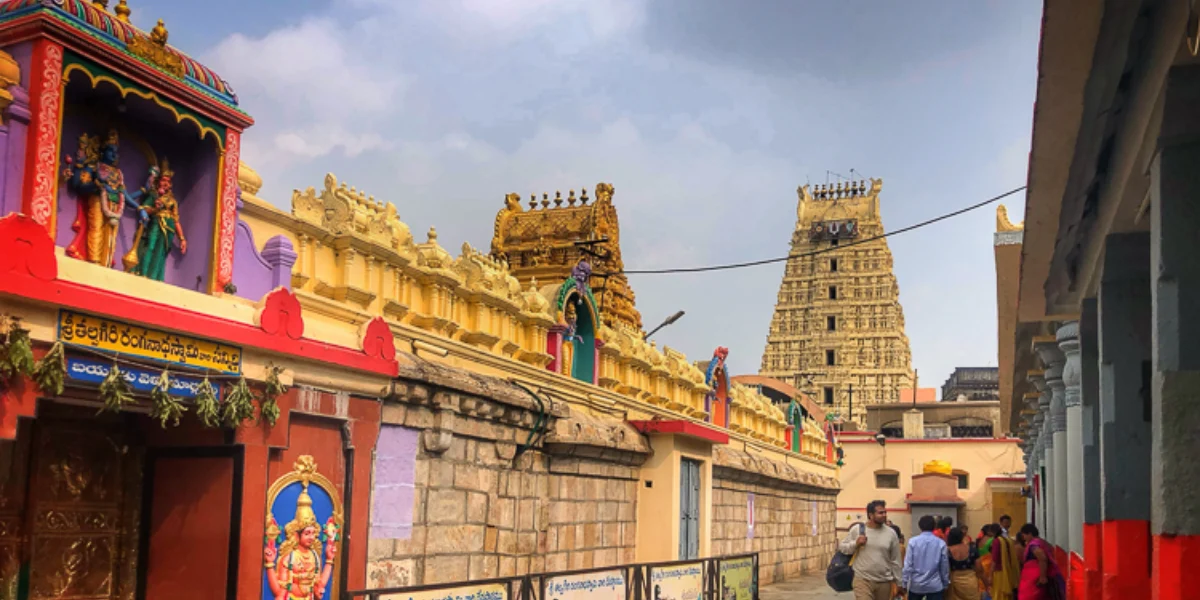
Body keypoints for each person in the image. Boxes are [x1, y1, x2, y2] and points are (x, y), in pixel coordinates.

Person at [838, 500, 902, 600]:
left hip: (884, 581)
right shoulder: (858, 529)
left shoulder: (891, 533)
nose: (884, 515)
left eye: (885, 512)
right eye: (880, 513)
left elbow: (895, 560)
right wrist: (856, 543)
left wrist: (899, 582)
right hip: (863, 580)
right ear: (871, 515)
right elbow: (842, 548)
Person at [902, 515, 950, 600]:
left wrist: (904, 583)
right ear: (934, 526)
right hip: (935, 586)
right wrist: (945, 583)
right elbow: (944, 566)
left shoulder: (912, 542)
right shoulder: (941, 543)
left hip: (916, 586)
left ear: (920, 526)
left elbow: (908, 565)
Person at [1016, 524, 1065, 600]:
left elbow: (1042, 558)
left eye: (1024, 535)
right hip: (1045, 575)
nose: (1024, 538)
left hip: (1035, 578)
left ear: (1030, 534)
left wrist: (1042, 577)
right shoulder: (1042, 542)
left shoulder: (1033, 545)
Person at [946, 527, 986, 600]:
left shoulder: (947, 551)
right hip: (970, 582)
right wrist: (986, 584)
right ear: (962, 537)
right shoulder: (972, 549)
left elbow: (945, 570)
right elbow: (980, 570)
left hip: (954, 583)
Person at [988, 524, 1020, 600]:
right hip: (1009, 570)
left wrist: (990, 575)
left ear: (992, 532)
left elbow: (994, 560)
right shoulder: (1008, 540)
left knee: (1000, 594)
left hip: (999, 571)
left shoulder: (996, 541)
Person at [976, 525, 998, 600]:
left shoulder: (980, 540)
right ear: (989, 531)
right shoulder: (992, 540)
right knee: (990, 585)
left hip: (981, 564)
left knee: (982, 583)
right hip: (989, 564)